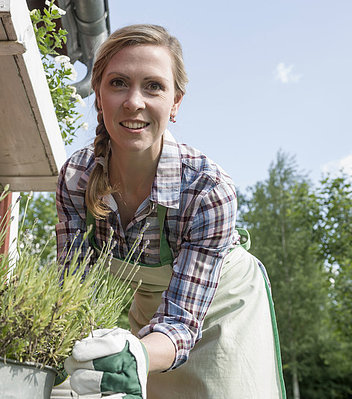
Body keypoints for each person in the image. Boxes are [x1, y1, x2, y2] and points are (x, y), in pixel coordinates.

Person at [55, 24, 285, 399]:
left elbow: (180, 322)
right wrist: (83, 361)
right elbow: (74, 293)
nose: (134, 101)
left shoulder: (207, 190)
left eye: (153, 86)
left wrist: (135, 355)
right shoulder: (77, 180)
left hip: (224, 313)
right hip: (151, 319)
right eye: (118, 83)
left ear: (175, 102)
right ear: (98, 96)